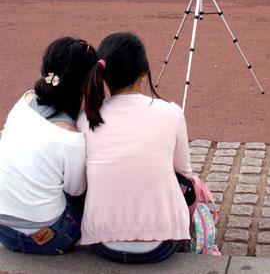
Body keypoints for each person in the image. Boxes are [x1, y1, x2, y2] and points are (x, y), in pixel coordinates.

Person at [78, 32, 193, 264]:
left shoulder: (85, 118)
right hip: (162, 243)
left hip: (102, 243)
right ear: (144, 72)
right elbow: (184, 172)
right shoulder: (171, 113)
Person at [0, 37, 98, 254]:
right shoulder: (70, 137)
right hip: (47, 237)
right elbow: (76, 190)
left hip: (3, 230)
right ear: (85, 83)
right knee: (91, 193)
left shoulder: (24, 100)